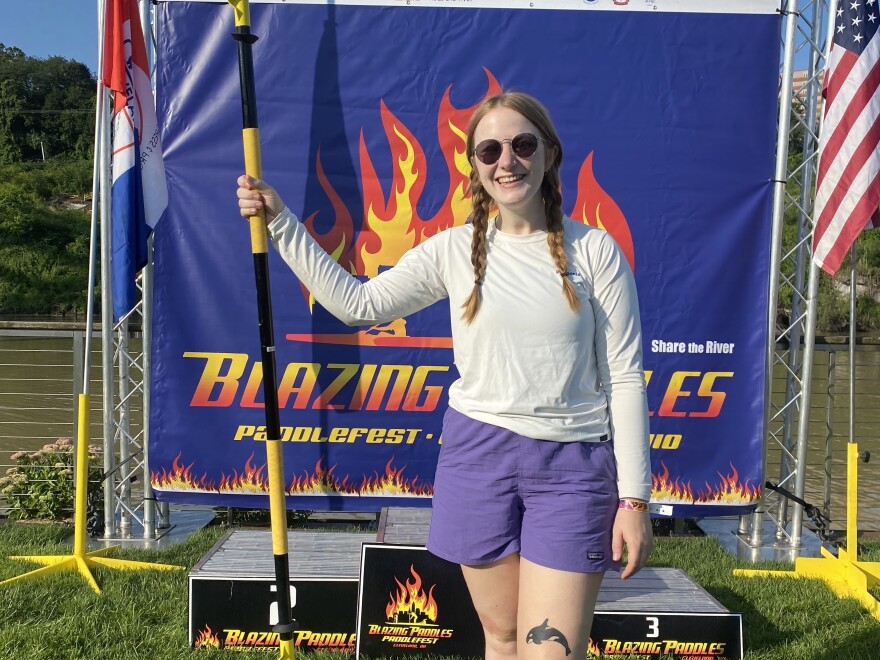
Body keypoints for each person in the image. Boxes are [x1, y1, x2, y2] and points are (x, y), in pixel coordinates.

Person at [236, 91, 652, 659]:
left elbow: (626, 378)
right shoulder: (453, 250)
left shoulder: (596, 251)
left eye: (523, 144)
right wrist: (280, 222)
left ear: (550, 154)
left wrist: (634, 501)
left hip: (573, 469)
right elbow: (358, 304)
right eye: (489, 150)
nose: (507, 160)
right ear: (476, 169)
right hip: (477, 458)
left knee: (550, 651)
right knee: (501, 638)